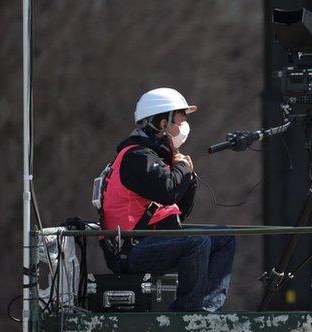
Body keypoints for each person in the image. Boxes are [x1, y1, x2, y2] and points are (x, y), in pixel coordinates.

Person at [99, 88, 236, 312]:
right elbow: (167, 191)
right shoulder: (136, 157)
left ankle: (208, 308)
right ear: (163, 124)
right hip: (132, 249)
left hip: (154, 239)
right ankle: (186, 312)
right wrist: (182, 168)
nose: (183, 128)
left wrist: (187, 178)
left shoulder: (155, 157)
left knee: (225, 236)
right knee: (196, 242)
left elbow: (178, 211)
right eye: (180, 121)